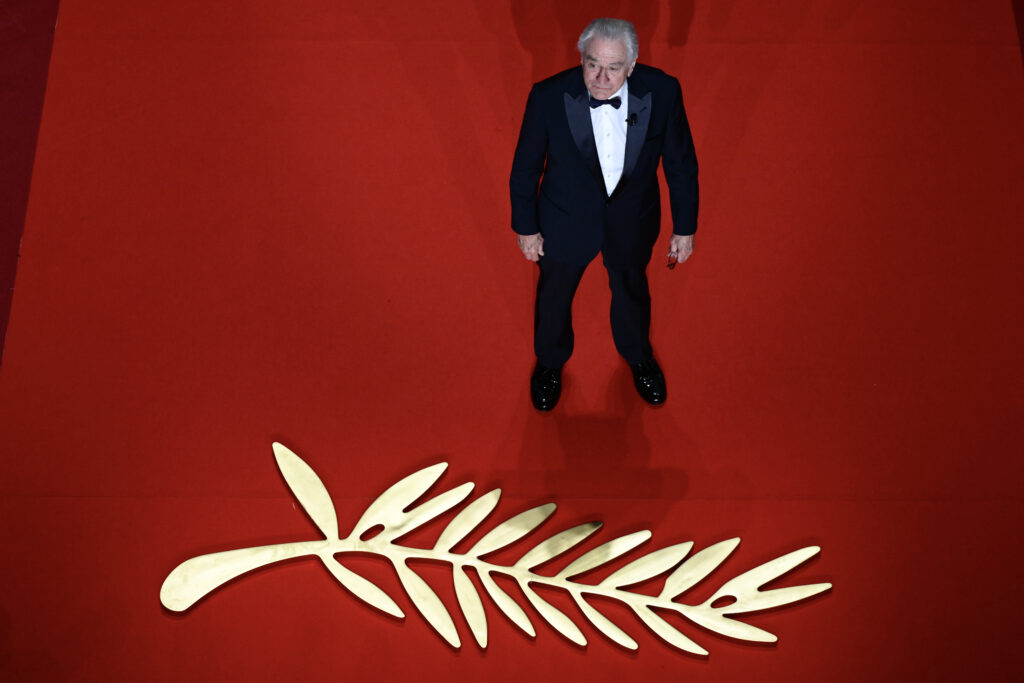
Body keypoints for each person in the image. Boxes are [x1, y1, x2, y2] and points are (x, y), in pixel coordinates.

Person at [510, 17, 699, 411]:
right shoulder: (548, 95)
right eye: (592, 64)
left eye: (613, 68)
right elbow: (525, 167)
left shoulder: (663, 91)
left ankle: (638, 356)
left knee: (632, 292)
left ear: (632, 65)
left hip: (632, 220)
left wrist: (685, 227)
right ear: (581, 58)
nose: (600, 78)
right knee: (554, 297)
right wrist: (526, 228)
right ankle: (549, 363)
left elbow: (680, 164)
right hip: (564, 219)